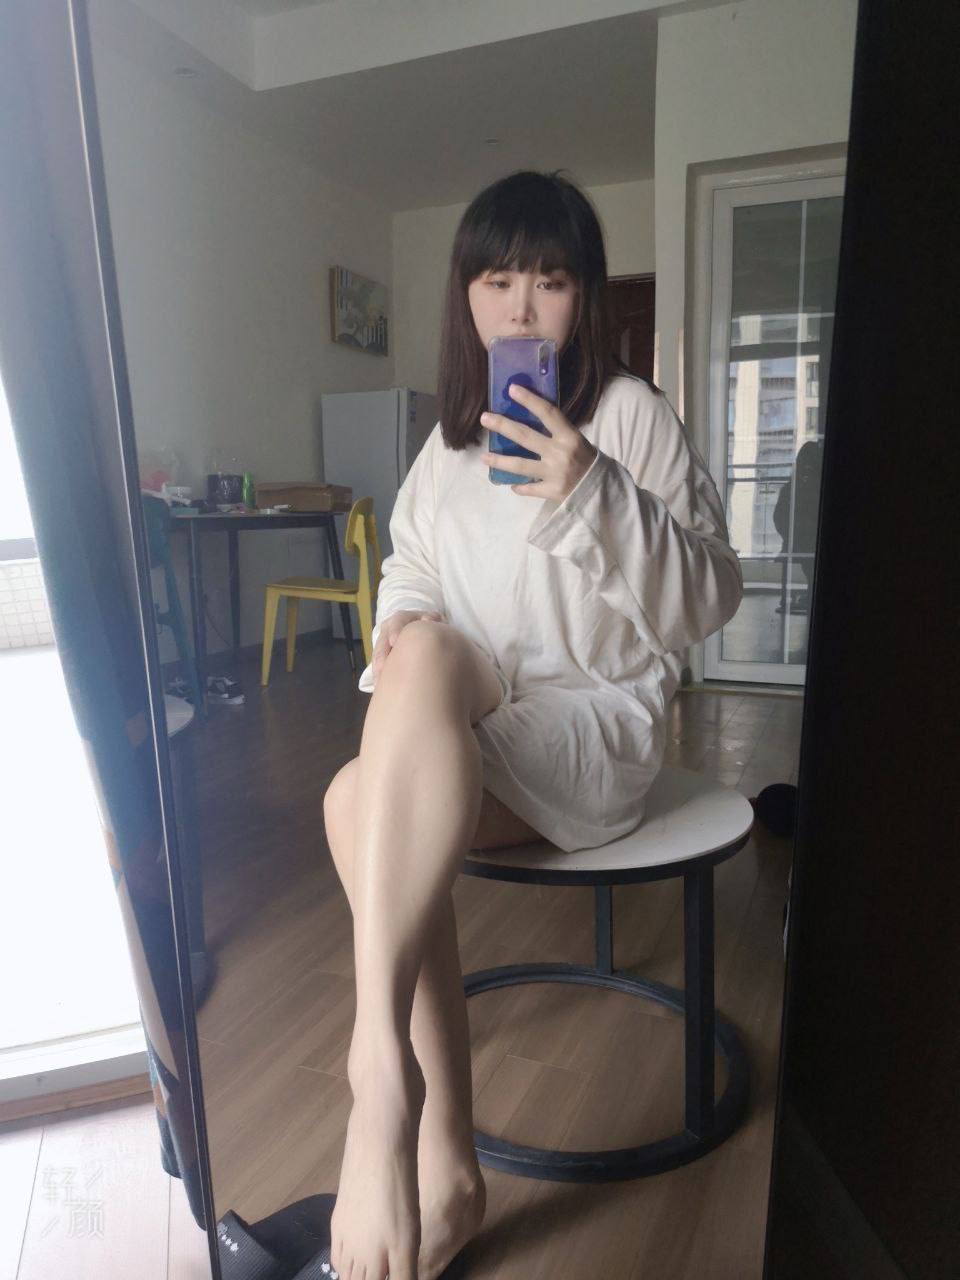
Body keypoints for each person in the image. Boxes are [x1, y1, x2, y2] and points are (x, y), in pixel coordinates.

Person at [322, 170, 743, 1280]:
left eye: (548, 282)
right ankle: (409, 1106)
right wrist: (401, 619)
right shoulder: (450, 443)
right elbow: (411, 563)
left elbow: (711, 595)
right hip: (475, 704)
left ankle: (412, 1112)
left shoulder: (630, 415)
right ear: (465, 296)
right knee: (412, 672)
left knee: (358, 802)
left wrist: (593, 487)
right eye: (496, 281)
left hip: (595, 717)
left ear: (582, 295)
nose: (520, 307)